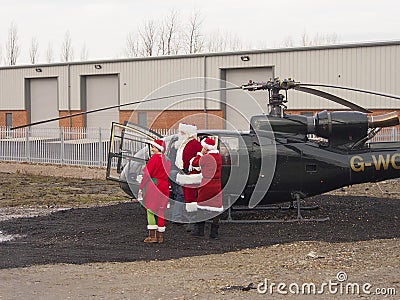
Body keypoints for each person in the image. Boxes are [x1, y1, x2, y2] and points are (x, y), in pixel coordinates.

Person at [138, 139, 171, 243]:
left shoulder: (153, 159)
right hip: (164, 186)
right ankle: (161, 237)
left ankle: (152, 236)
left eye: (153, 147)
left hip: (154, 187)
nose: (152, 148)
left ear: (158, 148)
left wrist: (141, 187)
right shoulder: (167, 160)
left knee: (150, 210)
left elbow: (147, 175)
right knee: (161, 211)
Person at [190, 137, 223, 239]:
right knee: (216, 207)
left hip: (206, 184)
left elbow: (195, 163)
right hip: (216, 183)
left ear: (205, 147)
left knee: (201, 206)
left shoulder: (205, 157)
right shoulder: (218, 156)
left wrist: (200, 153)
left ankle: (200, 230)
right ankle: (214, 232)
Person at [174, 123, 203, 217]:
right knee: (186, 197)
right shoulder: (183, 144)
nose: (180, 134)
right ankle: (187, 218)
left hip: (192, 175)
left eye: (182, 132)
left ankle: (192, 220)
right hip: (185, 174)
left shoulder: (194, 144)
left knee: (191, 198)